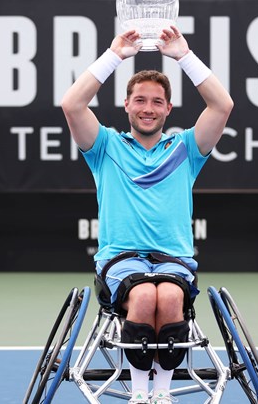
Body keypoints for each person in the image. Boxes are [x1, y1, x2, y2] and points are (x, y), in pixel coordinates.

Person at [61, 26, 233, 404]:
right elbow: (72, 104)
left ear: (168, 109)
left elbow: (222, 106)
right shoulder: (104, 146)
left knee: (170, 298)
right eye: (140, 100)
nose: (148, 108)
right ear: (127, 105)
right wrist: (116, 55)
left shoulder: (186, 148)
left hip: (173, 259)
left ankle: (162, 393)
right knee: (142, 298)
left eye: (157, 102)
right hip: (120, 260)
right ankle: (140, 395)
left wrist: (183, 55)